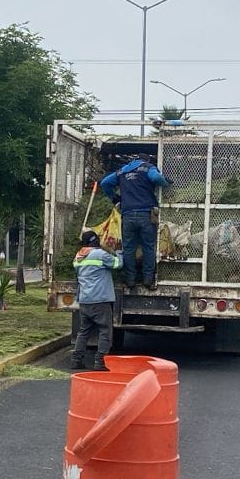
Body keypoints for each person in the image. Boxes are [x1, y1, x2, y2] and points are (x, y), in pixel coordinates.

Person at [99, 153, 170, 291]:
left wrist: (116, 199)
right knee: (148, 247)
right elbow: (156, 177)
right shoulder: (148, 167)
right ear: (146, 160)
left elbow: (104, 183)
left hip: (127, 215)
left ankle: (130, 280)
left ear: (135, 160)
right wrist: (165, 182)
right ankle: (148, 279)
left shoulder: (123, 170)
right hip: (146, 214)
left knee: (129, 248)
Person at [70, 230, 123, 371]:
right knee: (105, 331)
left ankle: (76, 360)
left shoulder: (78, 257)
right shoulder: (99, 254)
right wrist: (118, 251)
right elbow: (118, 264)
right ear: (95, 242)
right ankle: (100, 362)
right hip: (100, 300)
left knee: (83, 331)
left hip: (85, 301)